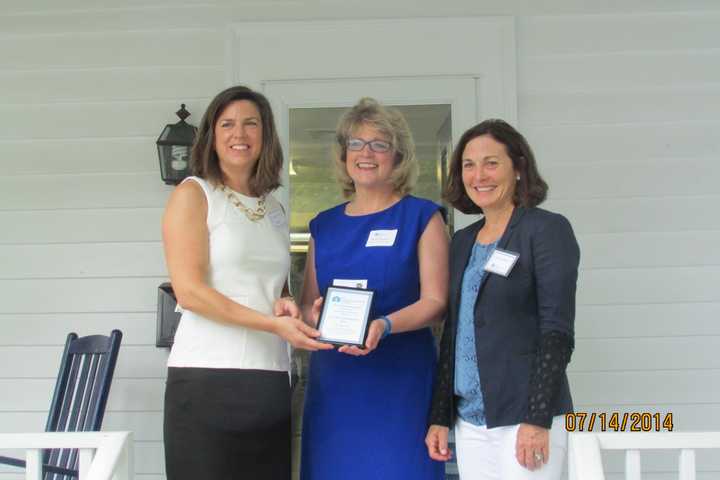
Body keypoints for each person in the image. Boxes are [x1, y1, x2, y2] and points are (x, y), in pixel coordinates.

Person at [161, 85, 332, 480]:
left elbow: (274, 287)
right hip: (206, 377)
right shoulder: (194, 194)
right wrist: (273, 324)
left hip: (269, 377)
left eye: (251, 124)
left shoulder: (273, 208)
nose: (240, 134)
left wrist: (286, 304)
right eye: (228, 124)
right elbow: (190, 292)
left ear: (266, 135)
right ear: (212, 135)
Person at [299, 97, 448, 480]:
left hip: (401, 384)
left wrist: (385, 324)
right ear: (344, 154)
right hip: (336, 385)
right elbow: (306, 307)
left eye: (379, 144)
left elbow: (436, 302)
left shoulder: (422, 217)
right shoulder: (323, 226)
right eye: (356, 143)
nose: (366, 153)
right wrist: (312, 317)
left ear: (398, 156)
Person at [425, 119, 580, 479]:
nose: (479, 174)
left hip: (525, 419)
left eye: (491, 163)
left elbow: (557, 331)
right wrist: (440, 416)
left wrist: (536, 418)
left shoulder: (545, 230)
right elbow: (453, 334)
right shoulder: (462, 241)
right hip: (471, 422)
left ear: (519, 168)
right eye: (469, 165)